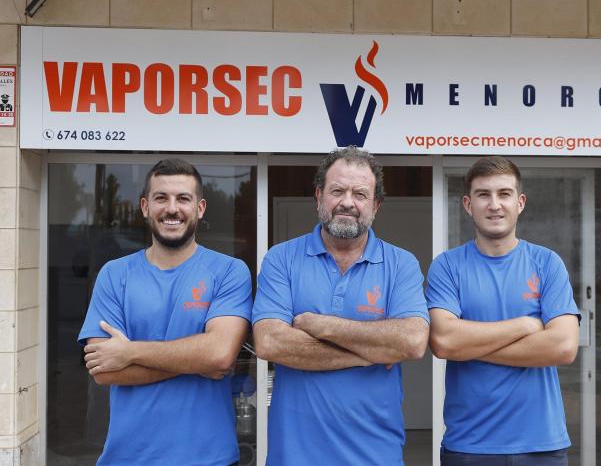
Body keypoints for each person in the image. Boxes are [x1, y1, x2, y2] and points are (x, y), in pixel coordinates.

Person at [253, 146, 430, 466]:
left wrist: (321, 325)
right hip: (294, 456)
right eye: (337, 191)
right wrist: (371, 353)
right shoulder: (281, 259)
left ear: (375, 205)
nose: (347, 202)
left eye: (360, 194)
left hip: (375, 456)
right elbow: (270, 342)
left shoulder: (401, 264)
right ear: (318, 197)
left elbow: (412, 341)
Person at [78, 158, 252, 466]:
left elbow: (219, 355)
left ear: (199, 208)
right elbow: (104, 370)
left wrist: (129, 352)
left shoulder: (228, 271)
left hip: (209, 458)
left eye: (183, 198)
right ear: (145, 207)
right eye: (161, 198)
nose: (172, 209)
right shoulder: (114, 275)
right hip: (128, 458)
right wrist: (196, 361)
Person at [426, 156, 580, 466]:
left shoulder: (547, 263)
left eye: (504, 194)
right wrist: (525, 325)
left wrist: (470, 345)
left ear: (520, 203)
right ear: (468, 204)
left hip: (541, 446)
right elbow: (444, 341)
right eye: (483, 194)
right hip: (469, 446)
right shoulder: (447, 266)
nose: (494, 204)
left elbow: (563, 346)